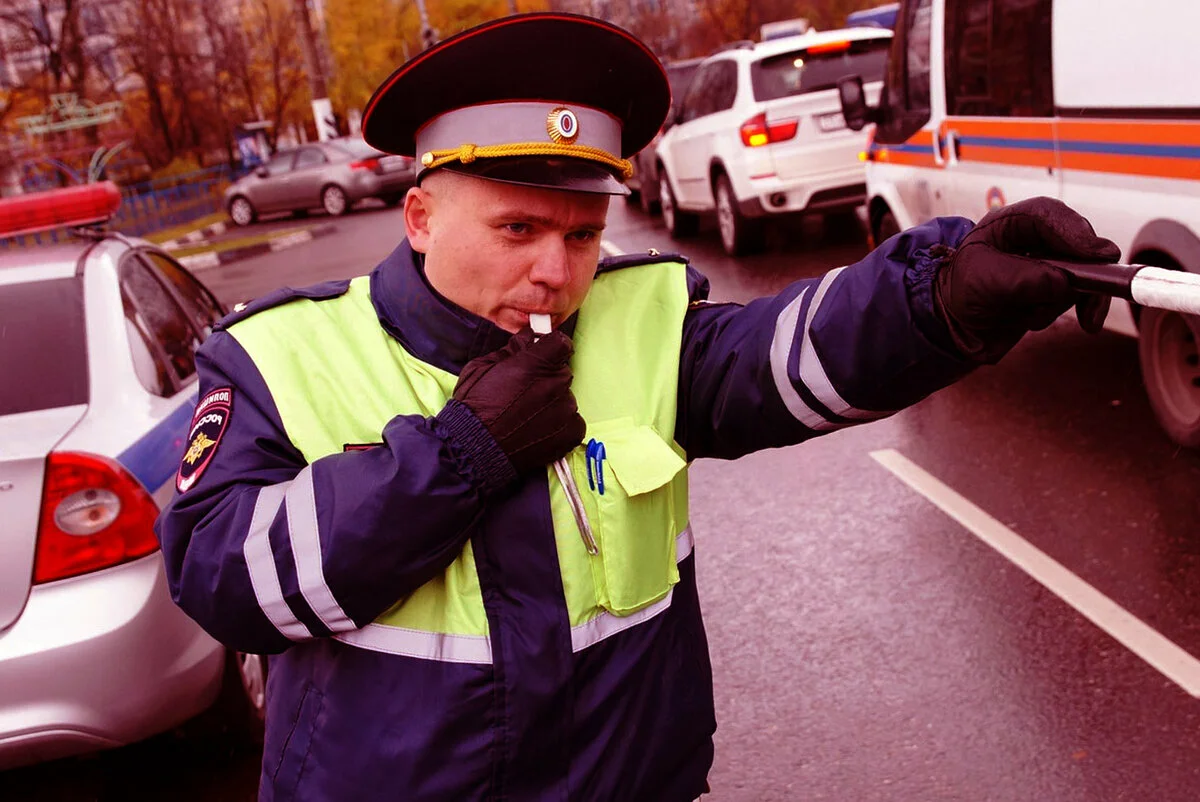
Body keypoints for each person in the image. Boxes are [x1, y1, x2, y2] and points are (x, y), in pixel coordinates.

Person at [155, 12, 1119, 802]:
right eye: (518, 228)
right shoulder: (280, 356)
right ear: (420, 217)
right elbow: (219, 576)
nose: (554, 273)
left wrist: (944, 292)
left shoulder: (639, 320)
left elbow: (786, 355)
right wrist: (457, 459)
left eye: (583, 235)